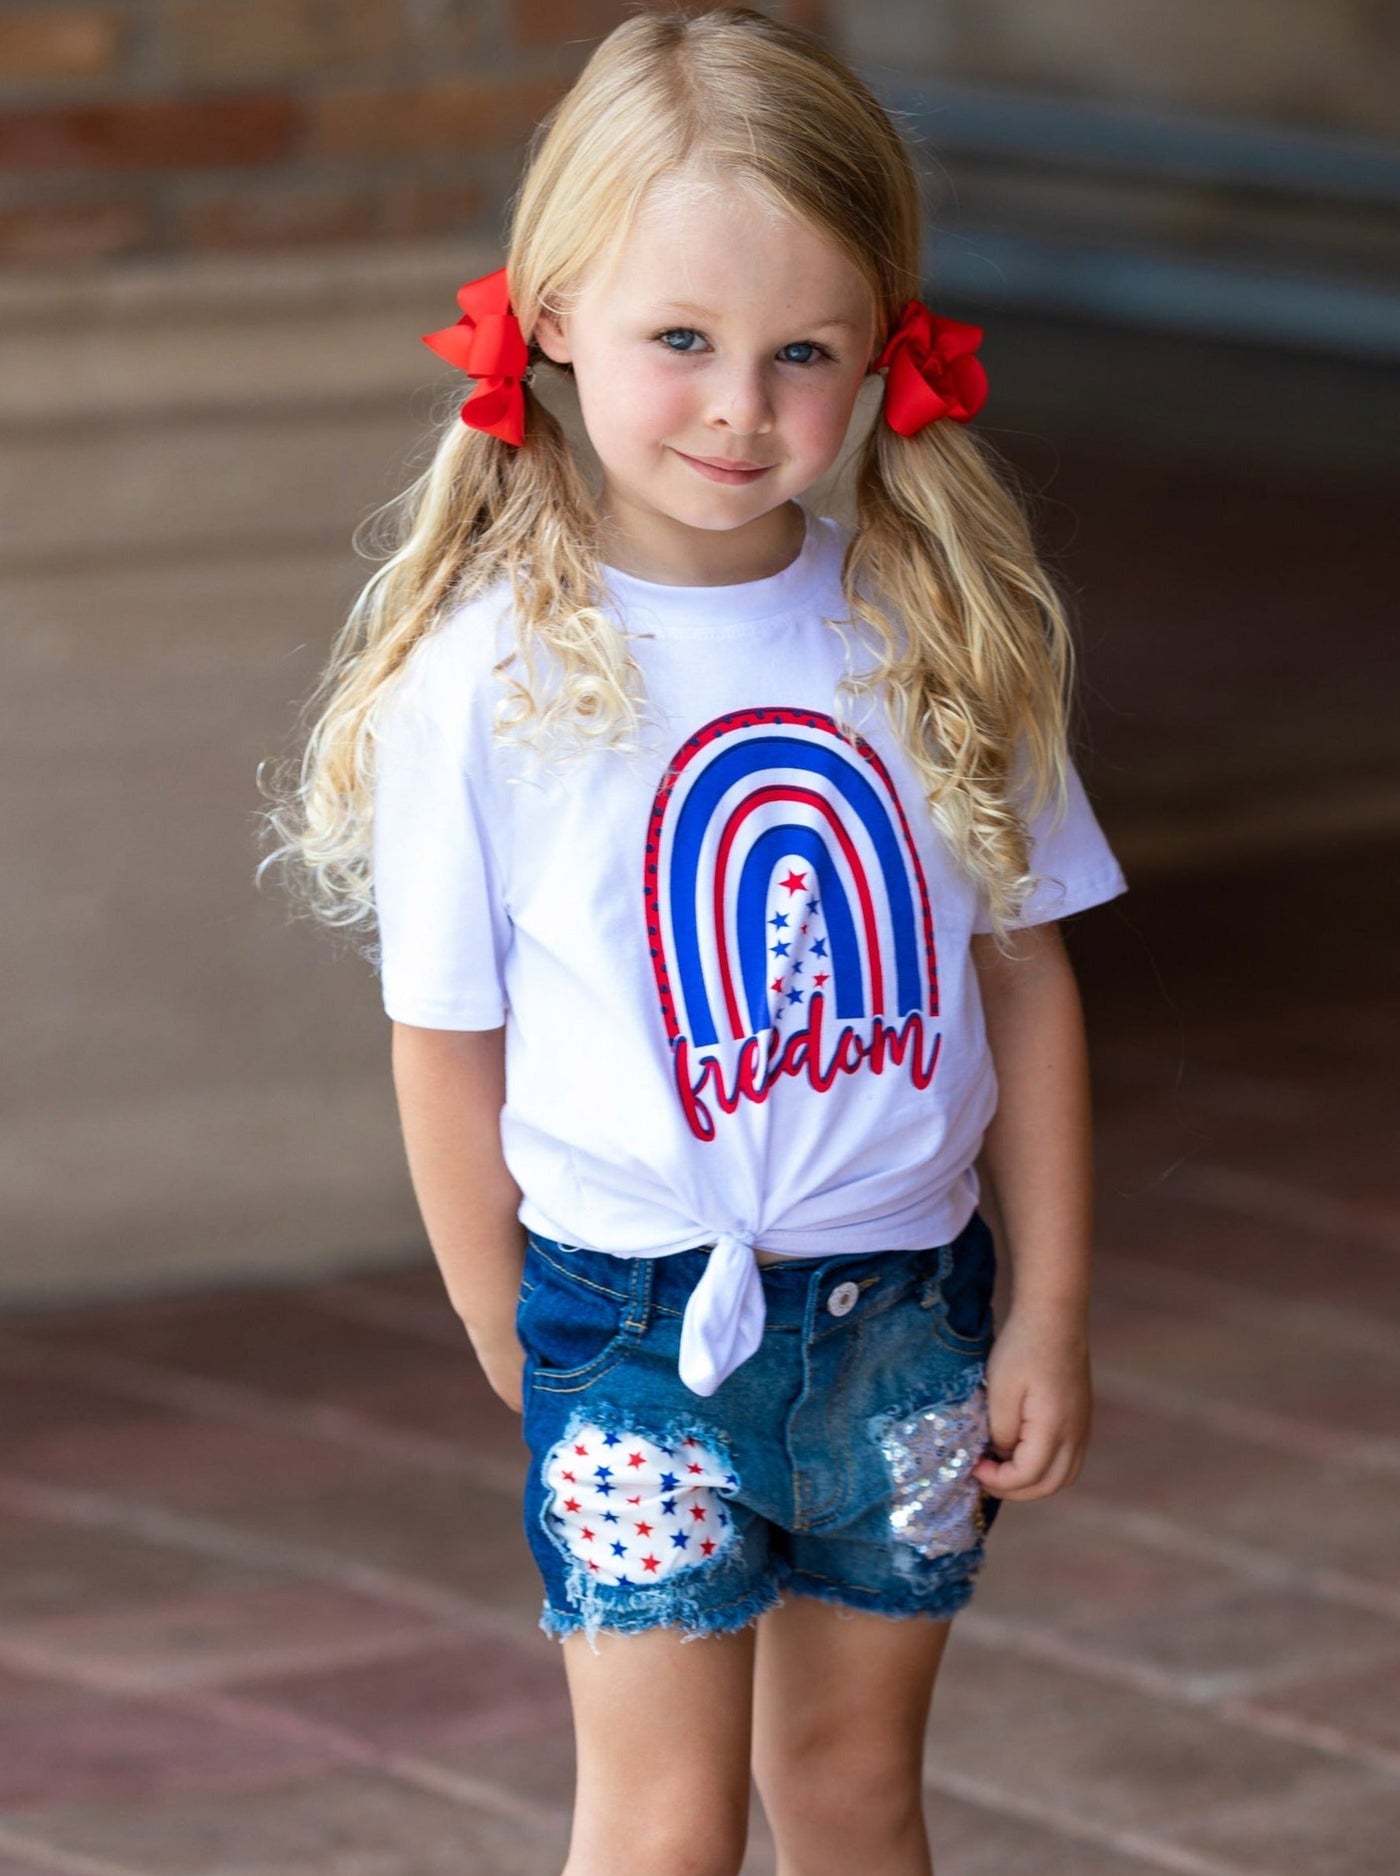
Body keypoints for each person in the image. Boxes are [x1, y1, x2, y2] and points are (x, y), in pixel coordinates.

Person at [259, 8, 1128, 1873]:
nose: (742, 407)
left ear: (882, 357)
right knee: (660, 1826)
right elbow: (444, 1036)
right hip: (635, 1324)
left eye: (802, 352)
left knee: (849, 1794)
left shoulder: (933, 632)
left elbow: (1025, 970)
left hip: (907, 1314)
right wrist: (512, 1324)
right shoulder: (484, 676)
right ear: (554, 316)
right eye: (682, 341)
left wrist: (1045, 1308)